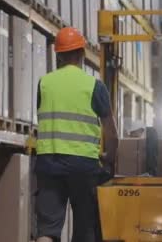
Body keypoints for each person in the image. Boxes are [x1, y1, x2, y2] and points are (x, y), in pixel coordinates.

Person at [35, 27, 119, 242]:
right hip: (83, 165)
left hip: (48, 162)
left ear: (58, 55)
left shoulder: (44, 83)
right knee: (85, 228)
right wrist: (109, 157)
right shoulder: (94, 85)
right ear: (82, 53)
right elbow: (111, 131)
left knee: (47, 229)